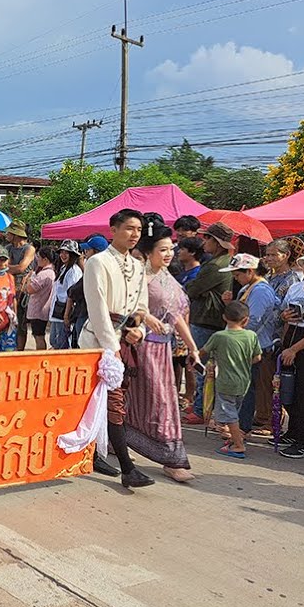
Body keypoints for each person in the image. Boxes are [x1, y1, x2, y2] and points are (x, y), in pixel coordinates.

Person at [78, 209, 155, 489]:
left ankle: (100, 453)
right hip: (99, 342)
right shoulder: (98, 262)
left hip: (124, 339)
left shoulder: (137, 266)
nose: (134, 234)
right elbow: (97, 307)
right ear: (113, 229)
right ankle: (126, 467)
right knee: (105, 402)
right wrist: (111, 348)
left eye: (138, 230)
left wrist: (139, 329)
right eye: (129, 228)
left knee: (112, 402)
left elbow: (142, 307)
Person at [124, 227, 204, 482]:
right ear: (148, 252)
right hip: (139, 348)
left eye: (172, 248)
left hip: (162, 349)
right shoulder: (138, 278)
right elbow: (124, 306)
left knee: (163, 400)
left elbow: (176, 316)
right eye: (163, 249)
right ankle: (132, 445)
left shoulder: (168, 278)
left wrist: (192, 347)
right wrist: (146, 316)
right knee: (138, 400)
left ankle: (170, 457)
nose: (170, 253)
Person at [220, 253, 279, 438]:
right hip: (249, 344)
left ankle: (242, 428)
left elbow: (253, 320)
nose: (235, 278)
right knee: (244, 388)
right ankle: (239, 426)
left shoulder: (260, 291)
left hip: (256, 346)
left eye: (237, 274)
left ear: (250, 271)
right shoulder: (249, 287)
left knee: (248, 390)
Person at [183, 222, 235, 425]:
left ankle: (200, 409)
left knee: (202, 366)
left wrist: (199, 289)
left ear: (217, 242)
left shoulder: (215, 265)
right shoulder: (221, 261)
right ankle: (200, 405)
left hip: (206, 318)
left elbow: (192, 289)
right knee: (206, 366)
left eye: (208, 238)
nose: (204, 242)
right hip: (212, 318)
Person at [200, 301, 263, 459]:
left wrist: (192, 358)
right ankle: (234, 438)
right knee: (234, 412)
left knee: (229, 416)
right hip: (243, 382)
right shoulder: (251, 336)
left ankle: (238, 445)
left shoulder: (220, 336)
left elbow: (203, 351)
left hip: (225, 383)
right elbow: (257, 357)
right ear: (246, 320)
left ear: (224, 318)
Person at [277, 254, 304, 458]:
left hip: (303, 343)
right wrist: (284, 317)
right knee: (288, 387)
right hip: (292, 335)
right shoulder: (297, 287)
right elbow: (284, 313)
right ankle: (294, 430)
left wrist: (295, 349)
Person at [5, 222, 36, 351]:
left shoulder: (29, 249)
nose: (6, 234)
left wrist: (6, 268)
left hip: (23, 291)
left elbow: (21, 267)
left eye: (9, 232)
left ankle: (19, 352)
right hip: (8, 288)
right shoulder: (8, 248)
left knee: (21, 324)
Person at [49, 240, 83, 349]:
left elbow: (71, 295)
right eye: (61, 252)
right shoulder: (64, 268)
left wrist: (66, 316)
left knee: (61, 344)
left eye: (66, 252)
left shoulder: (74, 271)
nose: (63, 255)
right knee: (54, 341)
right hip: (57, 311)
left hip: (64, 311)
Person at [23, 247, 56, 351]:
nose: (37, 259)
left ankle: (40, 356)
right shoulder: (51, 272)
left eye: (39, 257)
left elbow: (30, 289)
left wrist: (29, 278)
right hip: (44, 309)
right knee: (39, 335)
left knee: (39, 336)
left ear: (45, 259)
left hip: (38, 309)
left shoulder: (43, 274)